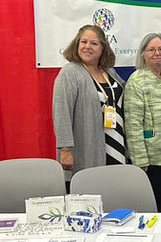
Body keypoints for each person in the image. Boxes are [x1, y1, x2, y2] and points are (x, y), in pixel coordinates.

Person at [53, 25, 126, 183]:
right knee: (91, 189)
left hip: (115, 144)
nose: (87, 47)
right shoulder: (69, 72)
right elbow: (61, 113)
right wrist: (65, 149)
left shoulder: (109, 71)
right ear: (77, 44)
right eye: (83, 42)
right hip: (87, 149)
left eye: (94, 43)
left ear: (103, 48)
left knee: (114, 189)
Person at [124, 33, 161, 211]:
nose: (157, 53)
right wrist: (140, 160)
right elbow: (133, 124)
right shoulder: (136, 80)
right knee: (156, 204)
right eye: (152, 49)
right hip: (152, 153)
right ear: (143, 53)